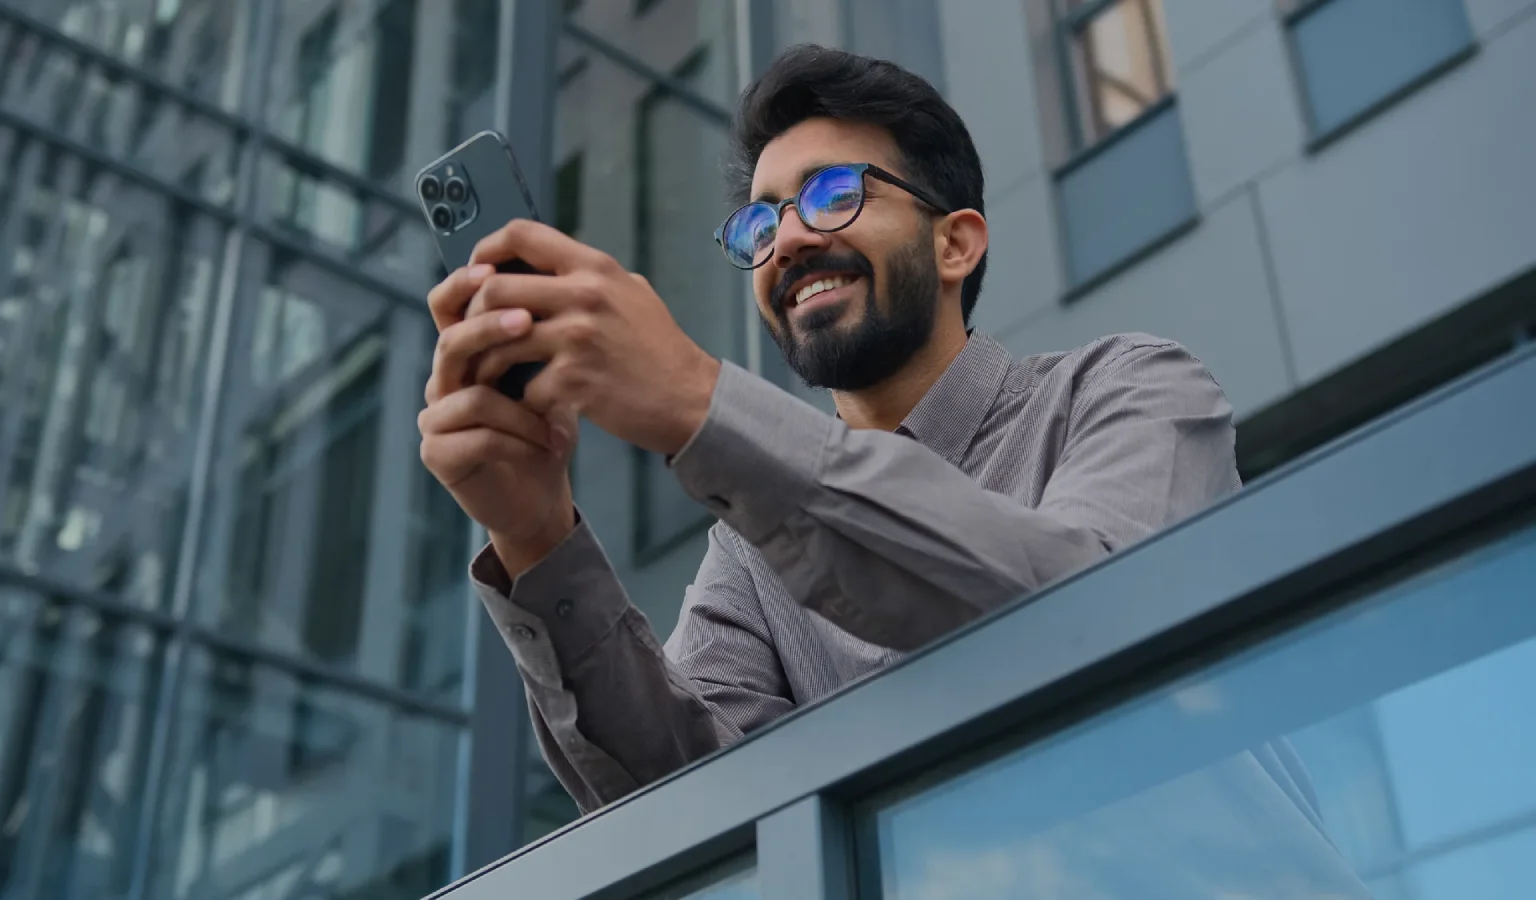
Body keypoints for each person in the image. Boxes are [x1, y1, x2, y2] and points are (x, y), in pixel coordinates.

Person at [418, 46, 1240, 812]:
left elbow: (1093, 619)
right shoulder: (747, 558)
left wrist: (697, 402)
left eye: (834, 194)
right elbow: (693, 804)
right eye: (761, 224)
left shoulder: (1131, 388)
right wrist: (535, 538)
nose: (790, 242)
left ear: (955, 244)